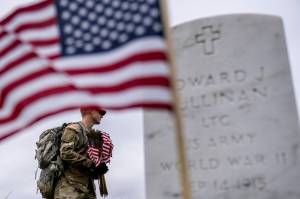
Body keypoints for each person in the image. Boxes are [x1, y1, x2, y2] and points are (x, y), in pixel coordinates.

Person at [54, 107, 109, 199]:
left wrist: (97, 170)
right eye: (100, 112)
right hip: (70, 190)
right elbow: (66, 153)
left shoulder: (91, 136)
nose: (102, 116)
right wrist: (91, 164)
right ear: (91, 111)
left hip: (87, 189)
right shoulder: (73, 129)